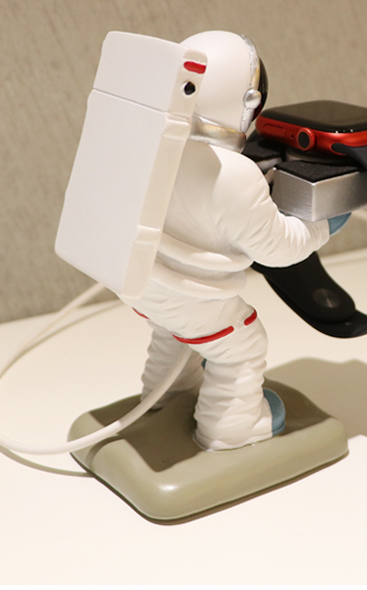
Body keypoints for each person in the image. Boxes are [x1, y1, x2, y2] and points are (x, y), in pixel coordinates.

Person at [120, 31, 334, 450]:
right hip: (192, 296)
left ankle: (166, 395)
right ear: (249, 101)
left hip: (139, 283)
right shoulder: (233, 174)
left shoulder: (147, 142)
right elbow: (279, 250)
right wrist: (322, 224)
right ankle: (231, 428)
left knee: (173, 330)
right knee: (242, 344)